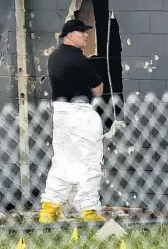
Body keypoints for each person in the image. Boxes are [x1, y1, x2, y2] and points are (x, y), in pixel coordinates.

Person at [38, 19, 106, 223]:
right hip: (81, 113)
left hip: (60, 113)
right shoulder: (79, 59)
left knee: (62, 160)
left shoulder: (54, 57)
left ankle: (49, 208)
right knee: (90, 160)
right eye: (82, 32)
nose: (86, 35)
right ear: (70, 35)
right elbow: (98, 88)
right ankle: (89, 210)